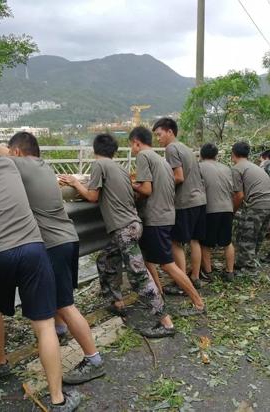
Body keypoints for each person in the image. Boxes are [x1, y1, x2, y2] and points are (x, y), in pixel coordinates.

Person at [0, 122, 80, 411]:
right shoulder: (12, 163)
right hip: (34, 248)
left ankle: (2, 362)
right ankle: (58, 399)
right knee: (44, 325)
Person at [0, 133, 105, 385]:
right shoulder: (44, 166)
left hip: (53, 243)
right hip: (66, 238)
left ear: (18, 152)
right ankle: (60, 331)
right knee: (56, 297)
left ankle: (93, 359)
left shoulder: (23, 163)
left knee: (64, 303)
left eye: (12, 152)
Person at [60, 133, 175, 338]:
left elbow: (92, 197)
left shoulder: (99, 166)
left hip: (124, 229)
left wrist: (75, 183)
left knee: (138, 276)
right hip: (132, 226)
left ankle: (165, 322)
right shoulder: (120, 169)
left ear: (95, 150)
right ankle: (117, 302)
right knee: (105, 260)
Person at [129, 126, 205, 316]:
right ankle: (159, 296)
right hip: (165, 214)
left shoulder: (143, 156)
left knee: (167, 264)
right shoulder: (160, 159)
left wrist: (129, 184)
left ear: (136, 143)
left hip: (156, 217)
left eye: (131, 145)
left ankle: (198, 302)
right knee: (148, 260)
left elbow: (146, 189)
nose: (132, 149)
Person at [152, 118, 207, 290]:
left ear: (170, 132)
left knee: (175, 242)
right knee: (195, 240)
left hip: (185, 201)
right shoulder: (186, 148)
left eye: (159, 135)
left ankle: (181, 282)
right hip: (200, 200)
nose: (158, 139)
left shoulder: (171, 148)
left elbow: (178, 177)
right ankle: (195, 277)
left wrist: (158, 186)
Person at [230, 142, 270, 274]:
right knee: (258, 236)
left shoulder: (237, 168)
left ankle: (247, 269)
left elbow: (239, 196)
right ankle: (251, 261)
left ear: (233, 154)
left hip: (258, 205)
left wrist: (232, 212)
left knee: (246, 237)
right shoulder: (254, 166)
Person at [198, 143, 235, 280]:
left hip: (210, 209)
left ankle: (208, 272)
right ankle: (229, 271)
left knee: (206, 244)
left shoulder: (199, 167)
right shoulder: (226, 168)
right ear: (216, 155)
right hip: (227, 208)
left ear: (201, 155)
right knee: (227, 242)